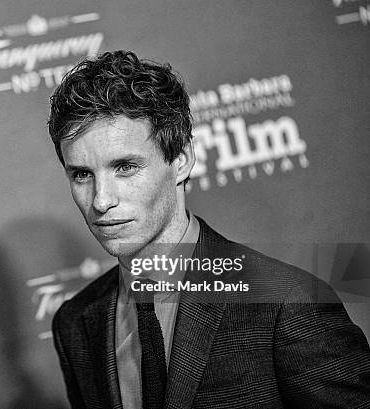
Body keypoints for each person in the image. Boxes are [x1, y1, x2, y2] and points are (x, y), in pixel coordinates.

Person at [48, 50, 370, 409]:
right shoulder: (77, 323)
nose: (101, 200)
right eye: (82, 175)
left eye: (125, 167)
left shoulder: (287, 303)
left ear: (181, 160)